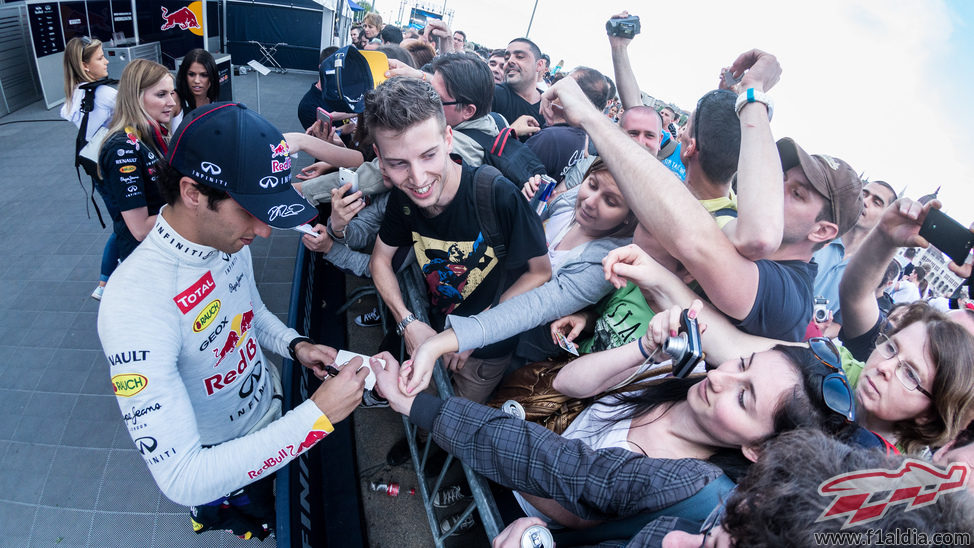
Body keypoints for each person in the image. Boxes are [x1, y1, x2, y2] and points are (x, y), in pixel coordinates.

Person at [97, 102, 367, 539]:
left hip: (273, 414)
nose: (262, 232)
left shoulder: (225, 241)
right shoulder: (133, 302)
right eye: (249, 210)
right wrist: (317, 416)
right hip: (230, 461)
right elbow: (181, 478)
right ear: (192, 193)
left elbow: (249, 313)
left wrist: (296, 345)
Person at [370, 348, 871, 546]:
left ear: (758, 451)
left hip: (521, 500)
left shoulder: (689, 488)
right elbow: (570, 384)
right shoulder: (685, 373)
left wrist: (420, 407)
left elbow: (563, 477)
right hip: (505, 462)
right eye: (741, 362)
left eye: (744, 397)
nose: (721, 378)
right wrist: (644, 350)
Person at [541, 54, 863, 342]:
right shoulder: (737, 226)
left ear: (821, 232)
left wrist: (754, 93)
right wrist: (591, 313)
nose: (773, 190)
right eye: (780, 178)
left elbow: (757, 235)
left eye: (796, 193)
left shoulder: (785, 293)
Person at [366, 77, 551, 402]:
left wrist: (473, 336)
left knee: (456, 420)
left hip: (487, 350)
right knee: (424, 403)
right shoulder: (402, 197)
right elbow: (380, 260)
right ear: (379, 158)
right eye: (398, 164)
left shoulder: (498, 195)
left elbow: (540, 271)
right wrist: (408, 322)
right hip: (433, 328)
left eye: (428, 155)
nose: (418, 179)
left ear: (449, 138)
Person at [407, 158, 636, 397]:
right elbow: (528, 239)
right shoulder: (568, 201)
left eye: (610, 201)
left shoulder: (604, 264)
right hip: (483, 308)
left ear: (629, 217)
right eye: (592, 184)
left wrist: (466, 338)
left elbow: (536, 305)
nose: (590, 201)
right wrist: (524, 206)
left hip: (517, 345)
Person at [838, 198, 974, 452]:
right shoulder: (839, 370)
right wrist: (884, 237)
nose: (885, 367)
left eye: (911, 374)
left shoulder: (901, 481)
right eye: (890, 348)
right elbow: (856, 296)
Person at [96, 59, 175, 261]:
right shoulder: (122, 148)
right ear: (136, 97)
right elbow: (139, 229)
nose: (172, 102)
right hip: (147, 257)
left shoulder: (153, 132)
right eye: (161, 94)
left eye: (171, 93)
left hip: (166, 246)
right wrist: (193, 210)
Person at [60, 36, 118, 301]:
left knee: (122, 223)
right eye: (100, 57)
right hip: (118, 169)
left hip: (97, 172)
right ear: (85, 66)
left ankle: (105, 281)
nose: (106, 60)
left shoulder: (73, 97)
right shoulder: (106, 94)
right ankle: (105, 282)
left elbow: (68, 113)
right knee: (127, 226)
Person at [811, 179, 898, 335]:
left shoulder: (867, 272)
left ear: (886, 218)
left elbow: (838, 324)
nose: (865, 201)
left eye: (876, 202)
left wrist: (814, 336)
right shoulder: (817, 232)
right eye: (863, 194)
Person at [525, 67, 610, 180]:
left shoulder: (551, 138)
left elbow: (510, 175)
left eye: (566, 84)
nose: (558, 86)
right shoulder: (581, 136)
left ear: (570, 96)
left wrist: (511, 131)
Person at [493, 38, 547, 138]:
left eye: (520, 57)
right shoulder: (493, 94)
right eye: (506, 57)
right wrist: (509, 133)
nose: (510, 61)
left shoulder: (548, 105)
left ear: (539, 65)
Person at [175, 49, 219, 117]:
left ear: (212, 77)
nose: (196, 81)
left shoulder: (212, 101)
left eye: (204, 75)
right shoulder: (175, 99)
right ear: (184, 75)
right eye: (191, 74)